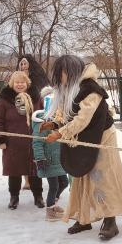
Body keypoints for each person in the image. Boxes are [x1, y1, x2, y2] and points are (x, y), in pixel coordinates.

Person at [42, 57, 122, 240]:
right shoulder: (68, 89)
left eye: (61, 72)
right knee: (81, 177)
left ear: (70, 72)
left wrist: (61, 133)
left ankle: (110, 220)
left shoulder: (91, 90)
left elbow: (82, 119)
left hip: (101, 137)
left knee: (103, 177)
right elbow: (66, 113)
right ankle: (84, 218)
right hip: (81, 138)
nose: (59, 77)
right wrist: (54, 123)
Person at [0, 71, 44, 210]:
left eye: (22, 82)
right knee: (14, 171)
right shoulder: (4, 102)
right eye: (17, 82)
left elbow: (43, 116)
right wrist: (0, 139)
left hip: (34, 141)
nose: (20, 85)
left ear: (27, 83)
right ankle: (14, 197)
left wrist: (45, 134)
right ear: (12, 84)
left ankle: (38, 196)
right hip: (12, 144)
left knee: (34, 170)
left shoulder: (36, 99)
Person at [31, 86, 69, 221]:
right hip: (49, 159)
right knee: (54, 185)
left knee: (64, 182)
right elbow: (37, 141)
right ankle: (50, 210)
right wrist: (40, 158)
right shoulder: (40, 120)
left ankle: (53, 203)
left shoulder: (60, 118)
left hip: (60, 158)